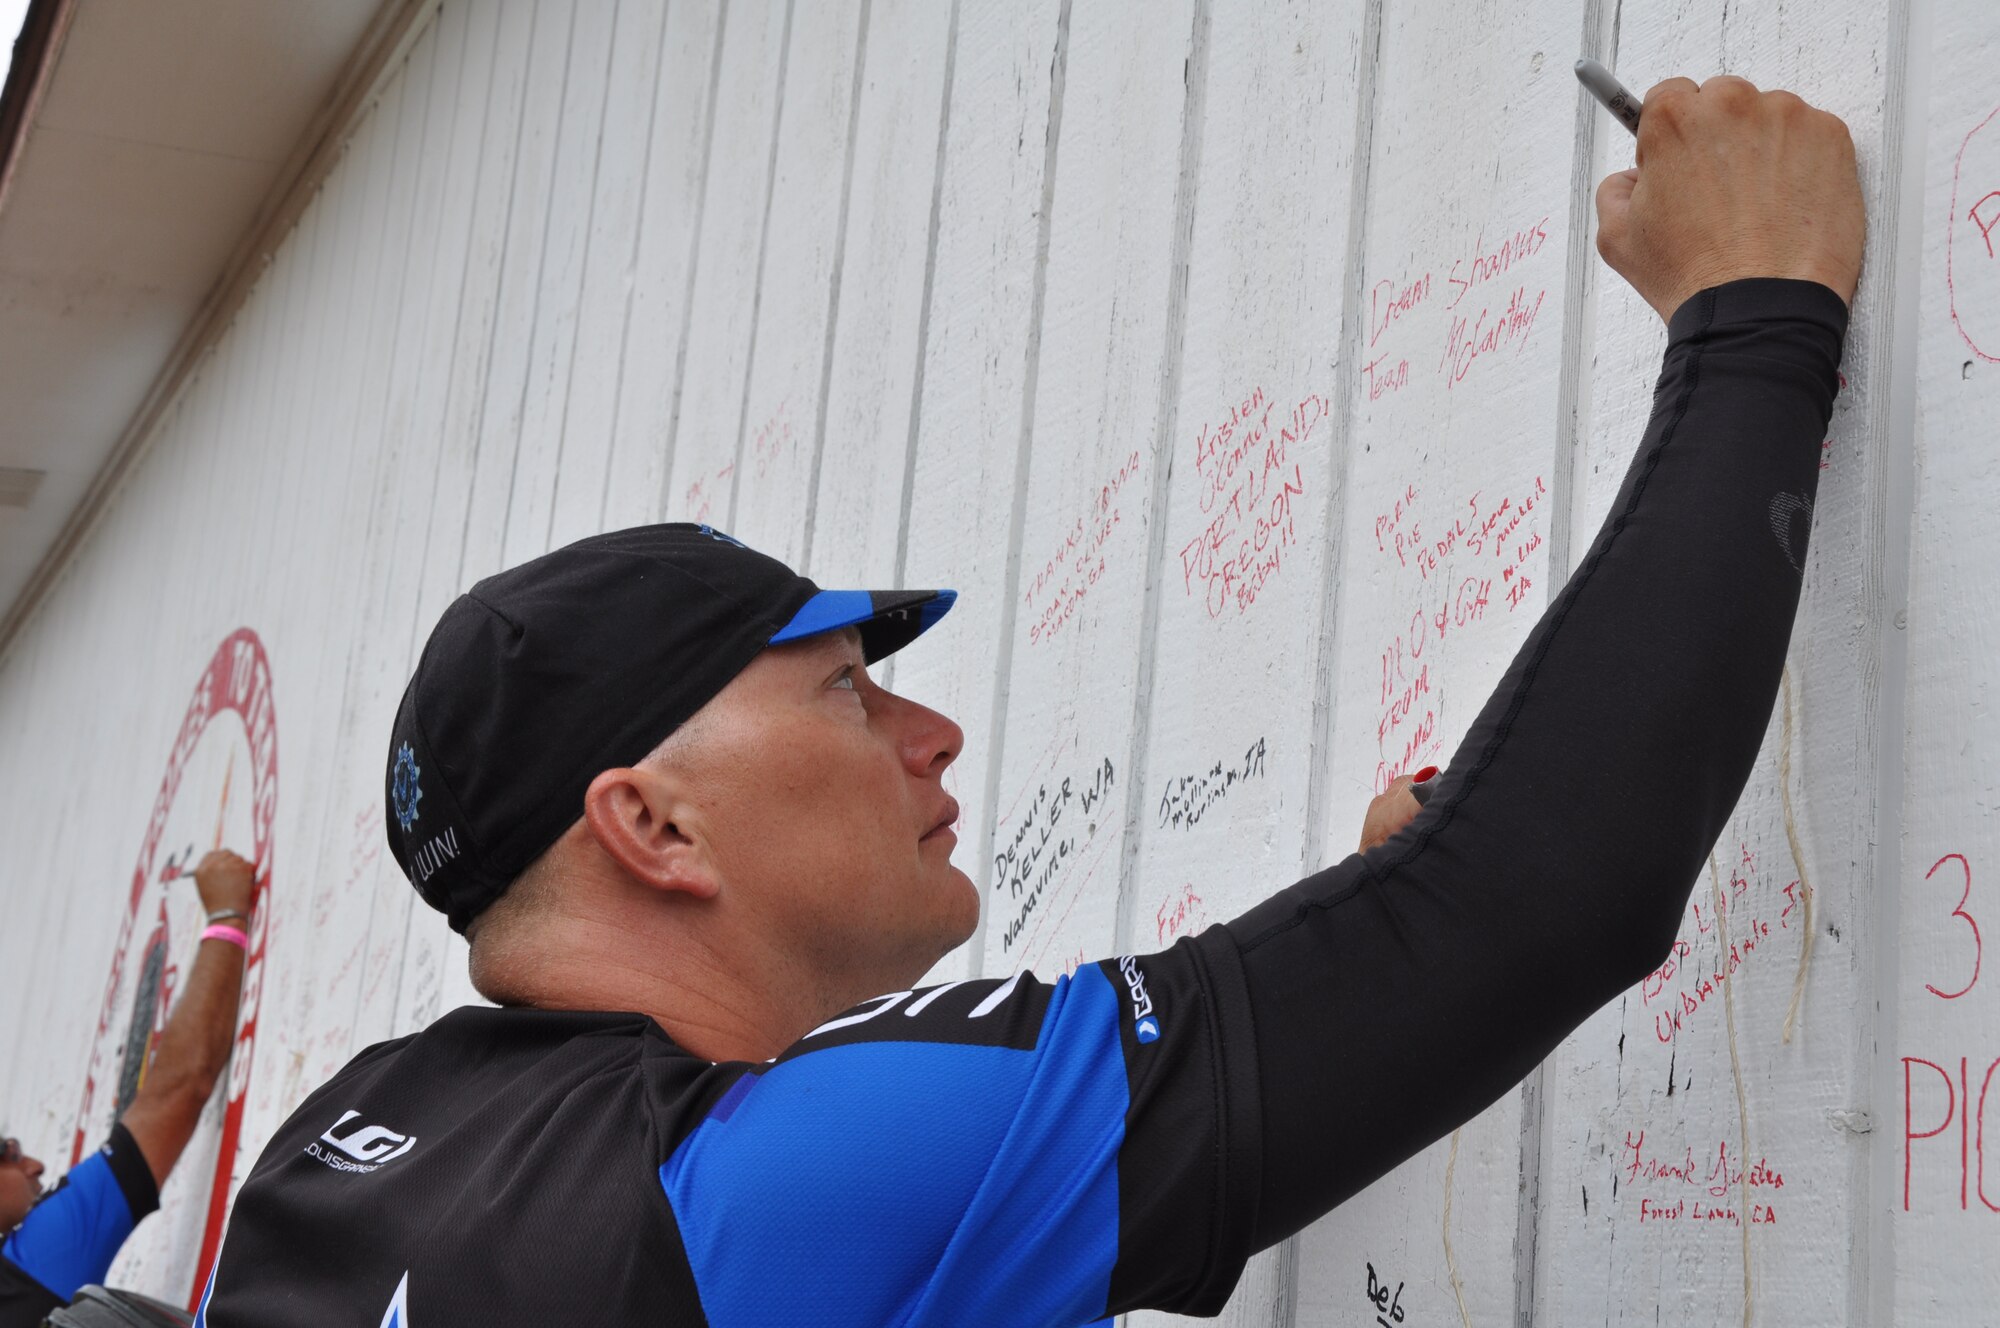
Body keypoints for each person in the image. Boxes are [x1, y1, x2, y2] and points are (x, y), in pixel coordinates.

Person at [195, 74, 1864, 1326]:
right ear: (652, 819)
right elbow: (1529, 899)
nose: (935, 733)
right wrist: (1759, 317)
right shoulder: (748, 1185)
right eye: (850, 692)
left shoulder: (347, 1136)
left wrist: (1370, 925)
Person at [1, 852, 255, 1326]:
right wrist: (226, 917)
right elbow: (178, 1090)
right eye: (8, 1152)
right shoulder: (27, 1268)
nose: (33, 1163)